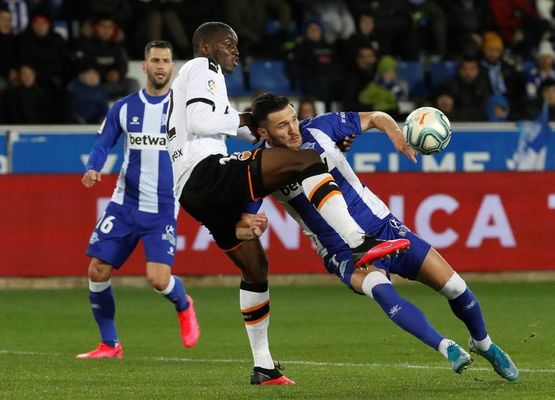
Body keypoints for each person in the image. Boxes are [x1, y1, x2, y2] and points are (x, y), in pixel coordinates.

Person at [166, 21, 412, 385]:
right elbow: (202, 122)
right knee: (306, 160)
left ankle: (264, 367)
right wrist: (248, 118)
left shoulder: (195, 78)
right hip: (205, 173)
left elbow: (211, 123)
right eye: (228, 44)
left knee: (255, 268)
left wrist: (248, 126)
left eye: (236, 45)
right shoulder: (204, 68)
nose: (236, 50)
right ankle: (358, 241)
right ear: (205, 47)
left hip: (194, 190)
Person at [248, 92, 519, 381]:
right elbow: (246, 205)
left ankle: (483, 343)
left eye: (294, 119)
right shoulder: (262, 166)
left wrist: (394, 132)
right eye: (282, 126)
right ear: (263, 132)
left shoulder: (320, 126)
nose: (293, 130)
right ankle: (446, 346)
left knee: (455, 287)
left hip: (384, 226)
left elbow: (377, 117)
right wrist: (248, 220)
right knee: (381, 289)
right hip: (340, 249)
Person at [76, 40, 200, 359]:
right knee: (97, 270)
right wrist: (93, 168)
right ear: (144, 66)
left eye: (166, 61)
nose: (160, 66)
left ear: (173, 68)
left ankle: (184, 304)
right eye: (155, 60)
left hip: (161, 209)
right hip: (124, 205)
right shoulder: (124, 107)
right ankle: (109, 344)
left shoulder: (185, 111)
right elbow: (103, 143)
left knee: (158, 279)